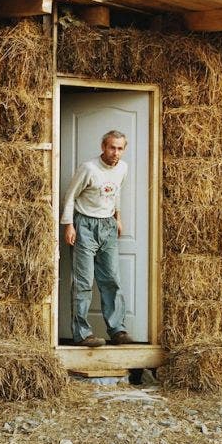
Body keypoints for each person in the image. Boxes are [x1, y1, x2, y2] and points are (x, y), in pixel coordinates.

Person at [60, 130, 134, 347]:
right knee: (83, 282)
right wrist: (69, 226)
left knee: (111, 279)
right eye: (112, 147)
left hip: (108, 226)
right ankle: (82, 334)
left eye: (120, 148)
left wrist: (117, 218)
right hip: (85, 225)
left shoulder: (123, 168)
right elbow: (70, 196)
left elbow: (116, 192)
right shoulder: (89, 168)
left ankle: (117, 330)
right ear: (103, 146)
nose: (116, 153)